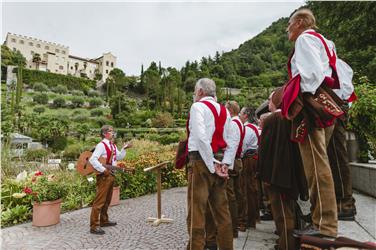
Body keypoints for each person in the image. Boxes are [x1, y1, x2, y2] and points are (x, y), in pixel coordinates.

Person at [285, 8, 346, 238]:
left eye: (290, 23)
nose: (287, 28)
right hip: (327, 100)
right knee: (321, 162)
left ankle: (324, 224)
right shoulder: (326, 42)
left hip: (311, 104)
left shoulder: (304, 39)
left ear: (300, 22)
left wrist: (296, 96)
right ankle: (324, 220)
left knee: (315, 165)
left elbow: (310, 75)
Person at [186, 78, 237, 250]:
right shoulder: (225, 111)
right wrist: (225, 163)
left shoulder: (197, 107)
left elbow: (201, 137)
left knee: (197, 212)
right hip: (219, 162)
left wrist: (211, 163)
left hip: (201, 162)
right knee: (222, 213)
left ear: (200, 92)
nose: (195, 94)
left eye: (195, 91)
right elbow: (232, 139)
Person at [258, 91, 308, 250]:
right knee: (288, 210)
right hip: (292, 173)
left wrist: (262, 173)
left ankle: (286, 246)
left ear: (277, 101)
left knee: (282, 214)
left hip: (276, 174)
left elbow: (264, 151)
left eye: (270, 100)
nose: (268, 103)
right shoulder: (292, 118)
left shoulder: (272, 119)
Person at [327, 59, 357, 220]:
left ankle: (345, 204)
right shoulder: (341, 64)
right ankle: (339, 202)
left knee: (337, 156)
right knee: (334, 157)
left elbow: (342, 91)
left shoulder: (334, 63)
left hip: (335, 108)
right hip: (338, 107)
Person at [89, 125, 131, 235]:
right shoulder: (101, 145)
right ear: (104, 133)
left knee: (107, 200)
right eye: (111, 131)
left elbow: (119, 157)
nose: (113, 133)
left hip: (111, 174)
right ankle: (94, 226)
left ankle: (104, 220)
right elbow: (92, 159)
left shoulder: (112, 145)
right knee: (99, 201)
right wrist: (103, 170)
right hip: (104, 175)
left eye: (113, 131)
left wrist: (124, 149)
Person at [224, 101, 245, 238]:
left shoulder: (233, 123)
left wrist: (226, 164)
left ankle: (232, 227)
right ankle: (238, 223)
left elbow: (232, 145)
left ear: (230, 110)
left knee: (230, 195)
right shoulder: (240, 123)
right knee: (237, 193)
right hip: (237, 161)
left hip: (232, 162)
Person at [239, 107, 260, 229]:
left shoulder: (247, 129)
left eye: (241, 113)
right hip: (254, 158)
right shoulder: (255, 127)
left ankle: (246, 220)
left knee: (246, 189)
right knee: (252, 188)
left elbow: (243, 147)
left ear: (246, 115)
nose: (240, 116)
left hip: (248, 160)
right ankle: (254, 217)